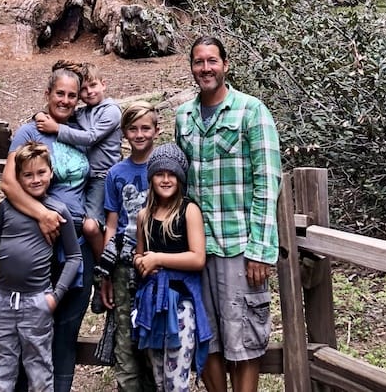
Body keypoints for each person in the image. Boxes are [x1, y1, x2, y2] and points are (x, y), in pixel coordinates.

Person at [175, 37, 282, 392]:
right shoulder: (184, 116)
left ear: (225, 64)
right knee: (206, 336)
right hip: (195, 249)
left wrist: (260, 250)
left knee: (243, 337)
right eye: (199, 62)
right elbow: (180, 182)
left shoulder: (251, 111)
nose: (205, 68)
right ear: (192, 67)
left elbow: (267, 181)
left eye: (212, 61)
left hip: (238, 246)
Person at [0, 61, 93, 392]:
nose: (65, 100)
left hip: (78, 245)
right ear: (47, 94)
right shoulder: (30, 132)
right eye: (59, 94)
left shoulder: (79, 132)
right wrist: (42, 214)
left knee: (67, 329)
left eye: (72, 95)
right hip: (39, 243)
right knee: (32, 330)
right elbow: (9, 183)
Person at [0, 142, 81, 392]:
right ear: (18, 177)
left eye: (41, 172)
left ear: (51, 173)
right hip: (3, 301)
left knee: (39, 369)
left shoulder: (58, 211)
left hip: (37, 302)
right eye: (28, 174)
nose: (36, 180)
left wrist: (54, 297)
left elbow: (74, 257)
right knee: (1, 367)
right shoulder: (5, 209)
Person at [133, 142, 212, 392]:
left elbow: (197, 258)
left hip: (180, 306)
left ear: (180, 178)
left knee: (176, 382)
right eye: (160, 174)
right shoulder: (144, 215)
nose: (166, 180)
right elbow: (139, 254)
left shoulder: (189, 211)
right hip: (152, 304)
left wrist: (158, 259)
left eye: (172, 174)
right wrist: (140, 261)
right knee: (159, 381)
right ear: (151, 178)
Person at [96, 100, 160, 392]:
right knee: (125, 334)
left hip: (158, 262)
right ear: (124, 133)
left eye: (145, 128)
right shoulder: (116, 174)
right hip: (123, 261)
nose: (139, 134)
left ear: (156, 130)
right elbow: (111, 224)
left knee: (154, 331)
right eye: (132, 129)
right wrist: (105, 273)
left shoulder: (165, 169)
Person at [35, 61, 121, 260]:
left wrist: (57, 129)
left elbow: (91, 137)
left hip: (102, 176)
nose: (89, 92)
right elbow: (59, 112)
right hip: (85, 176)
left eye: (94, 85)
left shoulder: (111, 111)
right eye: (84, 89)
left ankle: (103, 265)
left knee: (90, 226)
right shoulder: (83, 113)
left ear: (104, 84)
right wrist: (40, 115)